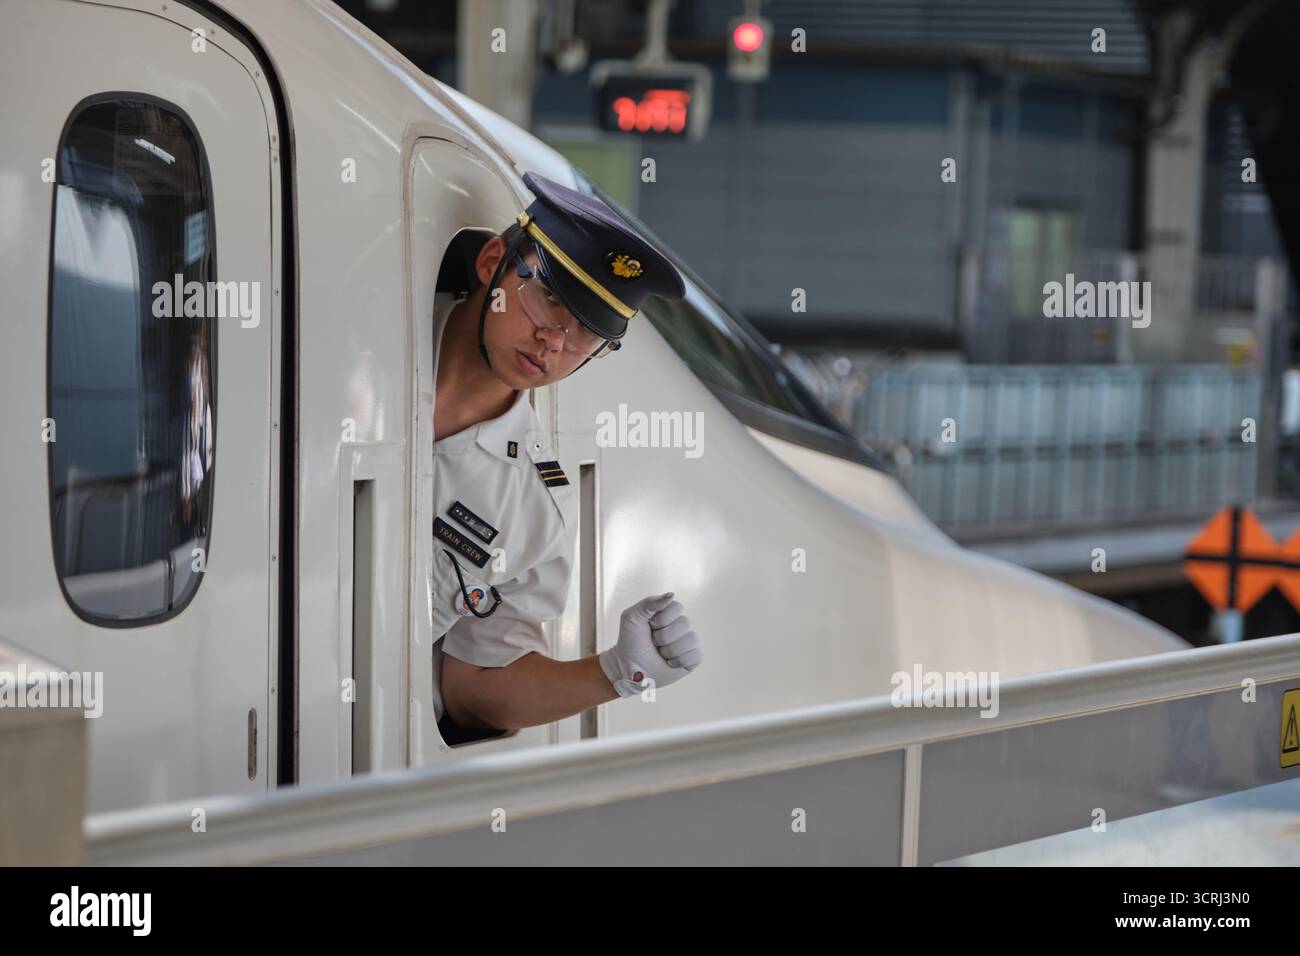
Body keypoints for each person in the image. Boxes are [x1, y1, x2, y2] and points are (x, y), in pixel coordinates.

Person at [431, 171, 703, 745]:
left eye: (586, 333)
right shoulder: (347, 340)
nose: (553, 341)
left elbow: (470, 687)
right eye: (549, 298)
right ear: (492, 264)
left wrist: (614, 674)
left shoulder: (535, 505)